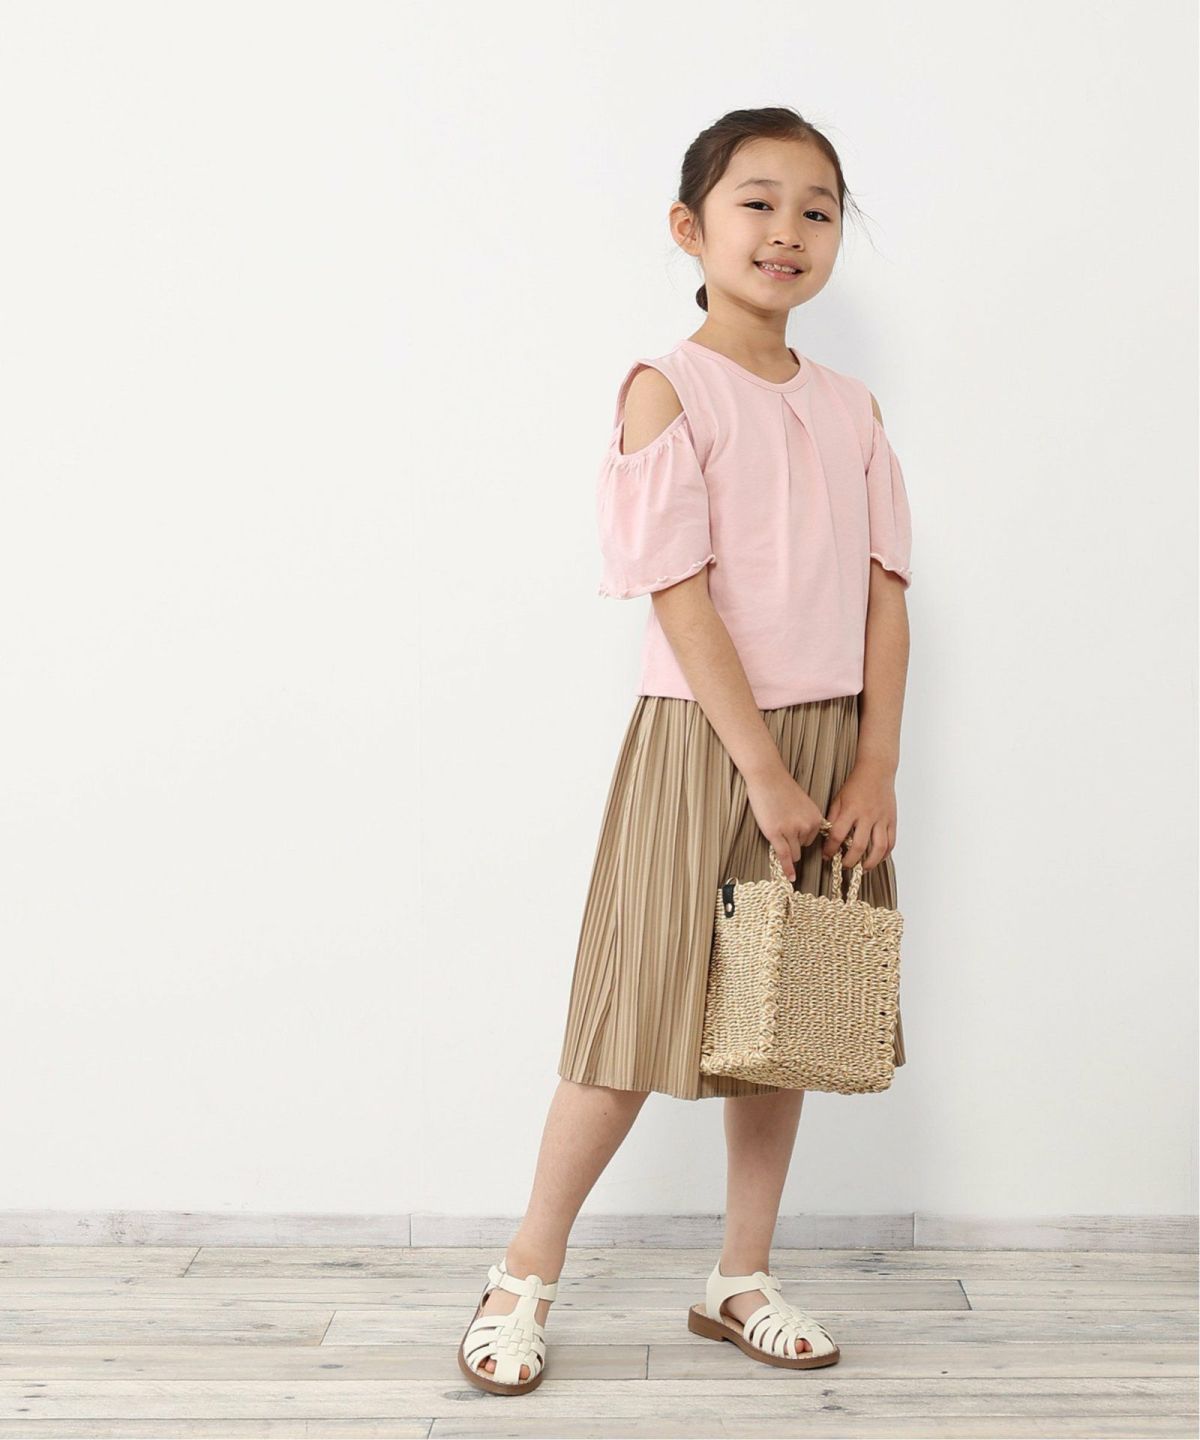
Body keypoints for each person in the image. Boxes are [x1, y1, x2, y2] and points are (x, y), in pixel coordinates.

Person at [457, 105, 914, 1395]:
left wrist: (874, 765)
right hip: (704, 740)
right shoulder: (671, 386)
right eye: (756, 202)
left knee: (788, 1015)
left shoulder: (853, 406)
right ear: (689, 227)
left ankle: (739, 1276)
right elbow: (678, 590)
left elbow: (886, 592)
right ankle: (522, 1274)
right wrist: (761, 768)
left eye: (817, 209)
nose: (788, 230)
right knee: (633, 1009)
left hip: (831, 745)